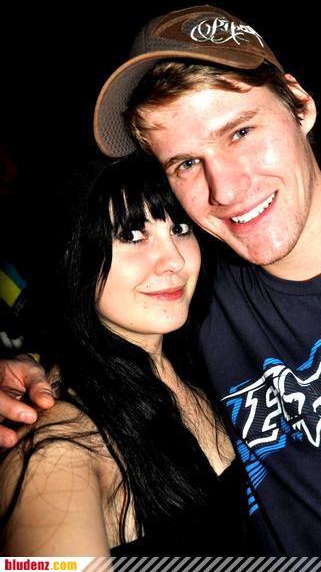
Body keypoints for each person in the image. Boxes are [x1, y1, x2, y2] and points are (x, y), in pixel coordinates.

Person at [2, 4, 321, 555]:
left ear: (300, 105)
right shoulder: (198, 299)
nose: (226, 189)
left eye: (240, 131)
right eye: (186, 163)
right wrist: (26, 373)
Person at [0, 153, 251, 555]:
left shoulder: (213, 356)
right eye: (132, 235)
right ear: (71, 256)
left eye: (180, 228)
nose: (175, 260)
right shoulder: (59, 446)